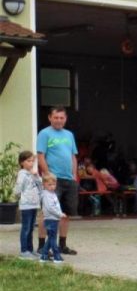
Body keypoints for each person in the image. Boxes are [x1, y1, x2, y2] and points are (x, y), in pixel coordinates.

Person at [36, 105, 79, 256]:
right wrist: (47, 175)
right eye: (56, 117)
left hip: (69, 180)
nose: (59, 120)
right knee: (47, 212)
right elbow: (40, 155)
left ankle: (62, 245)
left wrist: (74, 175)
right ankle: (42, 246)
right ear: (50, 118)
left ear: (65, 118)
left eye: (62, 118)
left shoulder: (69, 135)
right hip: (52, 180)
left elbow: (73, 156)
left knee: (66, 213)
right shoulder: (44, 134)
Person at [14, 151, 43, 259]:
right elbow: (18, 188)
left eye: (32, 161)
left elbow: (40, 186)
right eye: (28, 161)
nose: (31, 163)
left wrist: (36, 176)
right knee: (26, 228)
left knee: (31, 228)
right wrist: (19, 197)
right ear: (22, 162)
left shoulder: (33, 173)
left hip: (34, 204)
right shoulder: (22, 174)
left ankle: (30, 250)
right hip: (26, 205)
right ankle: (24, 251)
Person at [39, 173, 66, 264]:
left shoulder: (52, 194)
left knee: (51, 238)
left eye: (53, 184)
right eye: (49, 185)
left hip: (54, 218)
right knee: (53, 238)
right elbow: (50, 208)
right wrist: (60, 214)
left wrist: (59, 214)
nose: (52, 187)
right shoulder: (46, 195)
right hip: (50, 218)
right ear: (44, 184)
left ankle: (44, 255)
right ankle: (56, 255)